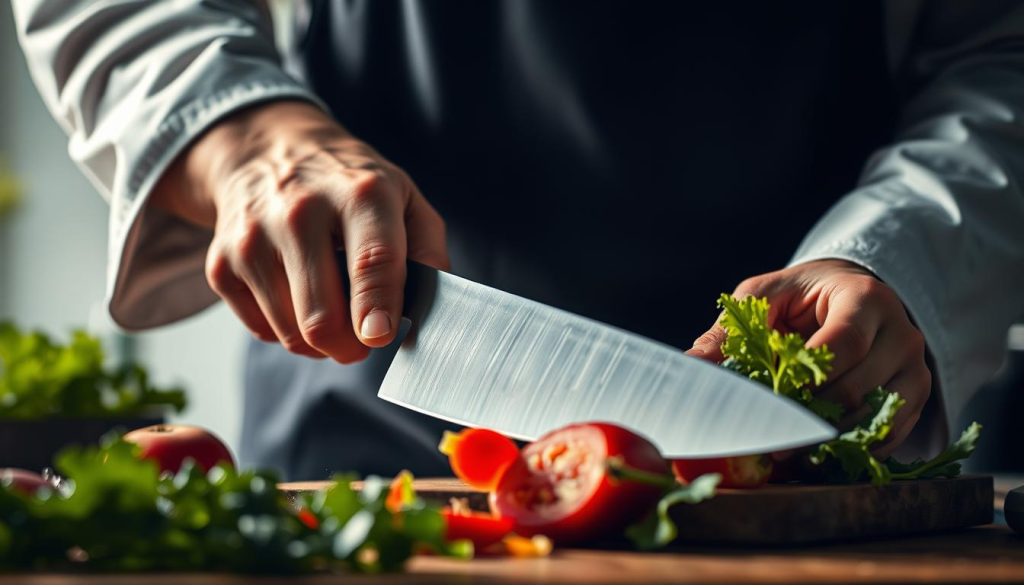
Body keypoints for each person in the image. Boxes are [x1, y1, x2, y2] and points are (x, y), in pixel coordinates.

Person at [11, 1, 1024, 480]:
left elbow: (1002, 51)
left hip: (809, 448)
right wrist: (241, 133)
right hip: (368, 422)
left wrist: (902, 257)